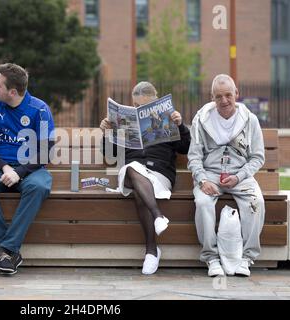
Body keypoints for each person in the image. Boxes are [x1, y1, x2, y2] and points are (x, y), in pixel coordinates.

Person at [0, 63, 55, 275]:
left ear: (13, 92)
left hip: (30, 169)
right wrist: (5, 166)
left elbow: (46, 151)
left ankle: (5, 249)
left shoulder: (40, 109)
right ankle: (5, 250)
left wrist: (20, 172)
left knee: (38, 187)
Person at [100, 81, 191, 275]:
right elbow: (110, 155)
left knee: (139, 190)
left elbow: (186, 148)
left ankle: (151, 250)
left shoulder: (167, 119)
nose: (138, 110)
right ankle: (158, 215)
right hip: (131, 174)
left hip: (159, 174)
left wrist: (180, 126)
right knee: (133, 168)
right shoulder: (125, 124)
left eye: (144, 107)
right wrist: (108, 132)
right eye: (136, 106)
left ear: (155, 102)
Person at [188, 74, 265, 277]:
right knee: (203, 203)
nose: (224, 101)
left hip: (241, 175)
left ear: (236, 94)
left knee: (256, 201)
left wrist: (239, 177)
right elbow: (194, 157)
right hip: (210, 175)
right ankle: (211, 258)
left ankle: (247, 258)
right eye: (218, 96)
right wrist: (202, 180)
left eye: (228, 95)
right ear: (212, 97)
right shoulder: (201, 119)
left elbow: (257, 157)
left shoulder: (250, 120)